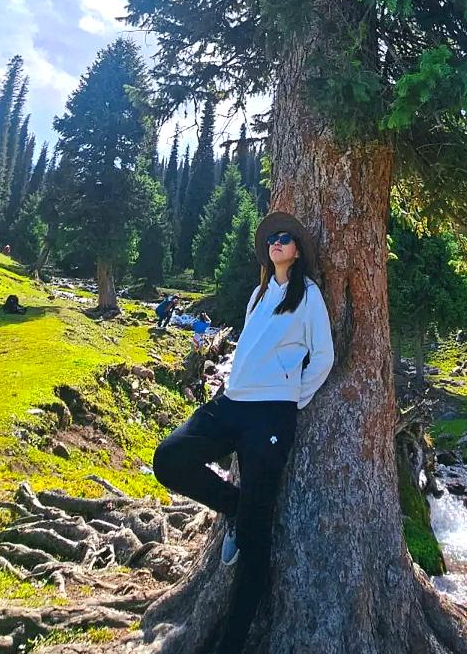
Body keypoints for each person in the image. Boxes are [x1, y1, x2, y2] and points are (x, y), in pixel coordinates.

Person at [152, 211, 335, 654]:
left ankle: (232, 642)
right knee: (169, 459)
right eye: (272, 237)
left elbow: (324, 355)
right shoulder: (257, 294)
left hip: (271, 415)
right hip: (230, 403)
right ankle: (231, 503)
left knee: (256, 534)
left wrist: (293, 398)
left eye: (286, 237)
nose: (277, 241)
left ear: (298, 251)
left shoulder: (307, 295)